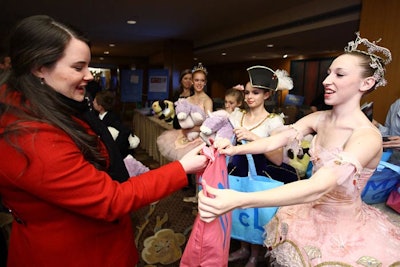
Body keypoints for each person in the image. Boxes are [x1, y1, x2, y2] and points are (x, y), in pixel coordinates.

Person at [0, 15, 208, 267]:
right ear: (39, 68)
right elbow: (110, 199)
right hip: (76, 251)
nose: (89, 76)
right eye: (78, 68)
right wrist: (181, 168)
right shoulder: (29, 137)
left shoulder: (50, 105)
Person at [198, 33, 400, 266]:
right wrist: (233, 149)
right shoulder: (319, 118)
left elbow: (318, 186)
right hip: (309, 214)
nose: (326, 81)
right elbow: (276, 140)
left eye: (340, 74)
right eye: (328, 73)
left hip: (342, 229)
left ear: (366, 83)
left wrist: (240, 199)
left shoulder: (366, 136)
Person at [226, 67, 297, 267]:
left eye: (255, 93)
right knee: (238, 210)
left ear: (267, 95)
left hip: (260, 172)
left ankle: (255, 253)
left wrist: (253, 137)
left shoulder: (274, 121)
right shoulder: (236, 116)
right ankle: (243, 248)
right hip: (236, 170)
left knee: (257, 212)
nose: (249, 97)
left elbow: (276, 158)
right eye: (247, 92)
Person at [93, 89, 132, 158]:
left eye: (95, 102)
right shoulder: (97, 116)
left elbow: (125, 131)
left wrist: (115, 148)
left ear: (100, 107)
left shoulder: (112, 118)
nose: (93, 102)